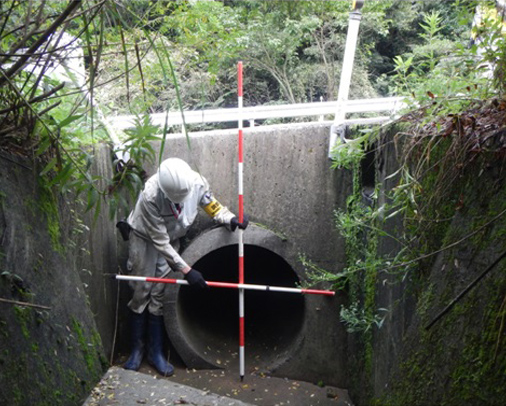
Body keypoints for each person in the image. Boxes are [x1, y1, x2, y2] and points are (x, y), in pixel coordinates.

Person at [121, 157, 248, 376]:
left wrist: (229, 218)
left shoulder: (195, 182)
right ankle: (136, 350)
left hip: (172, 240)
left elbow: (209, 203)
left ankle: (156, 353)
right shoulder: (151, 195)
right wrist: (187, 270)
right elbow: (159, 241)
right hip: (145, 239)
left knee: (159, 294)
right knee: (141, 290)